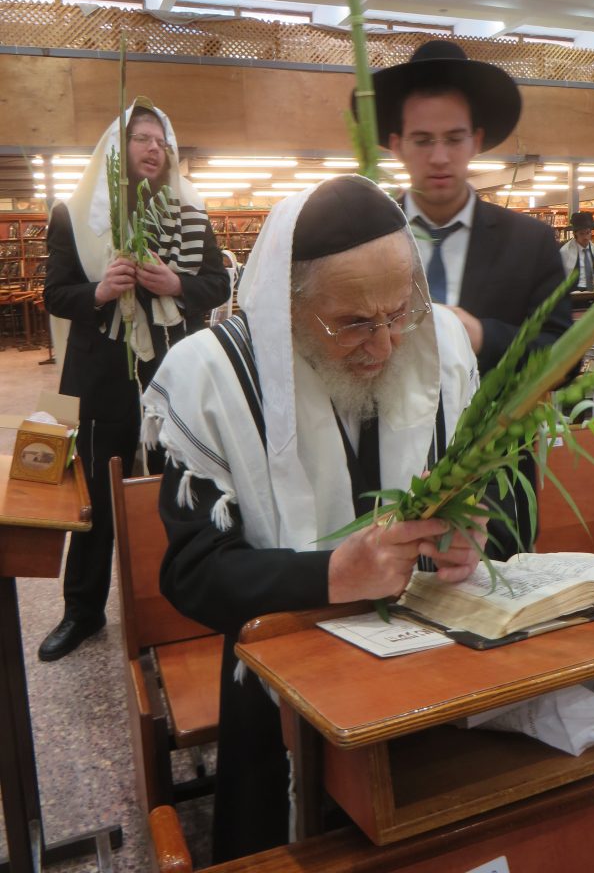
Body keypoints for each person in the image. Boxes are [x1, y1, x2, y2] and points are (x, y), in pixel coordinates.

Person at [142, 175, 481, 860]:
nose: (384, 346)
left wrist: (472, 538)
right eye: (352, 323)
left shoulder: (438, 346)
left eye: (397, 312)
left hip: (432, 678)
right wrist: (330, 573)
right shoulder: (210, 378)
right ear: (286, 310)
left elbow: (487, 497)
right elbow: (191, 573)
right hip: (276, 698)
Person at [364, 39, 572, 558]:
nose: (439, 157)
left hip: (496, 479)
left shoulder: (530, 243)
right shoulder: (363, 241)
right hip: (380, 477)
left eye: (454, 138)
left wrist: (481, 335)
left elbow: (563, 356)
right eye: (422, 139)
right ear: (395, 143)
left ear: (476, 140)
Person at [38, 98, 229, 662]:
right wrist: (99, 292)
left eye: (161, 140)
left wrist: (177, 284)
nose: (153, 148)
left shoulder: (190, 211)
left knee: (178, 488)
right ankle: (82, 610)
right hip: (103, 376)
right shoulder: (74, 215)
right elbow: (55, 293)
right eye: (142, 138)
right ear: (117, 151)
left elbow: (216, 283)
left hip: (173, 373)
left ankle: (176, 601)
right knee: (96, 495)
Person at [560, 212, 594, 289]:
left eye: (588, 233)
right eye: (581, 234)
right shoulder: (565, 251)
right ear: (575, 234)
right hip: (574, 292)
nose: (585, 237)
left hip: (593, 290)